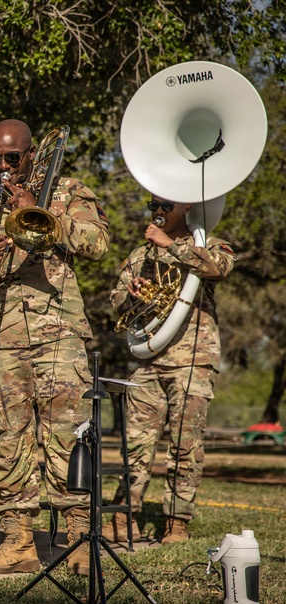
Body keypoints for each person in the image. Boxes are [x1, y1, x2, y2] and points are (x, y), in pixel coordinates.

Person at [0, 120, 110, 575]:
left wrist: (45, 215)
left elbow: (98, 244)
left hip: (59, 332)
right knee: (7, 437)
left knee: (69, 436)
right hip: (0, 338)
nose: (2, 166)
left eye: (11, 158)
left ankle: (77, 538)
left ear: (32, 154)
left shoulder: (69, 191)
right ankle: (17, 540)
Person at [105, 195, 234, 544]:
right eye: (154, 206)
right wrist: (131, 295)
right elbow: (116, 300)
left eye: (166, 206)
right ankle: (124, 516)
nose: (158, 213)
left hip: (192, 357)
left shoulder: (208, 242)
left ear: (186, 208)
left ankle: (177, 522)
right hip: (148, 359)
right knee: (136, 444)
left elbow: (218, 268)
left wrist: (172, 247)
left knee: (184, 445)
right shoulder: (139, 255)